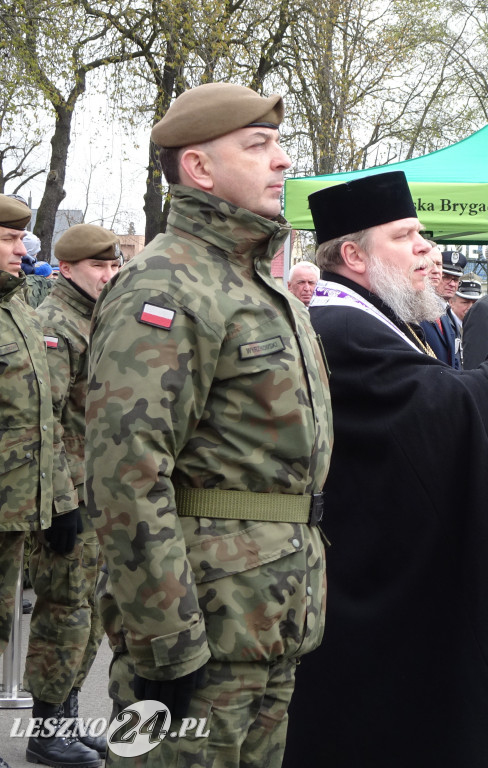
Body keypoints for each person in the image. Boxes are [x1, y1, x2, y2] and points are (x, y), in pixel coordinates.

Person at [285, 170, 488, 767]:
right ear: (354, 255)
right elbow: (453, 404)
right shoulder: (342, 327)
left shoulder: (373, 319)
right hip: (370, 576)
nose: (427, 248)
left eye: (424, 234)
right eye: (405, 235)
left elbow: (421, 428)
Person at [86, 83, 333, 767]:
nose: (281, 161)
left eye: (279, 144)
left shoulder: (253, 282)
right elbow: (127, 474)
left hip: (269, 615)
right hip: (202, 626)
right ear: (199, 168)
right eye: (259, 147)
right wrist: (167, 640)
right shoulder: (167, 284)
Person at [26, 224, 121, 767]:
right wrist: (61, 503)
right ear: (66, 269)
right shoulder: (55, 324)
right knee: (64, 609)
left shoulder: (95, 316)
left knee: (85, 608)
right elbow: (48, 423)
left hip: (97, 489)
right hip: (71, 494)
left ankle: (64, 715)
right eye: (98, 268)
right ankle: (46, 727)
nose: (108, 276)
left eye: (112, 267)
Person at [0, 195, 56, 768]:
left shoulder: (17, 310)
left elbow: (43, 417)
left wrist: (56, 501)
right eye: (11, 240)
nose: (24, 250)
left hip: (15, 505)